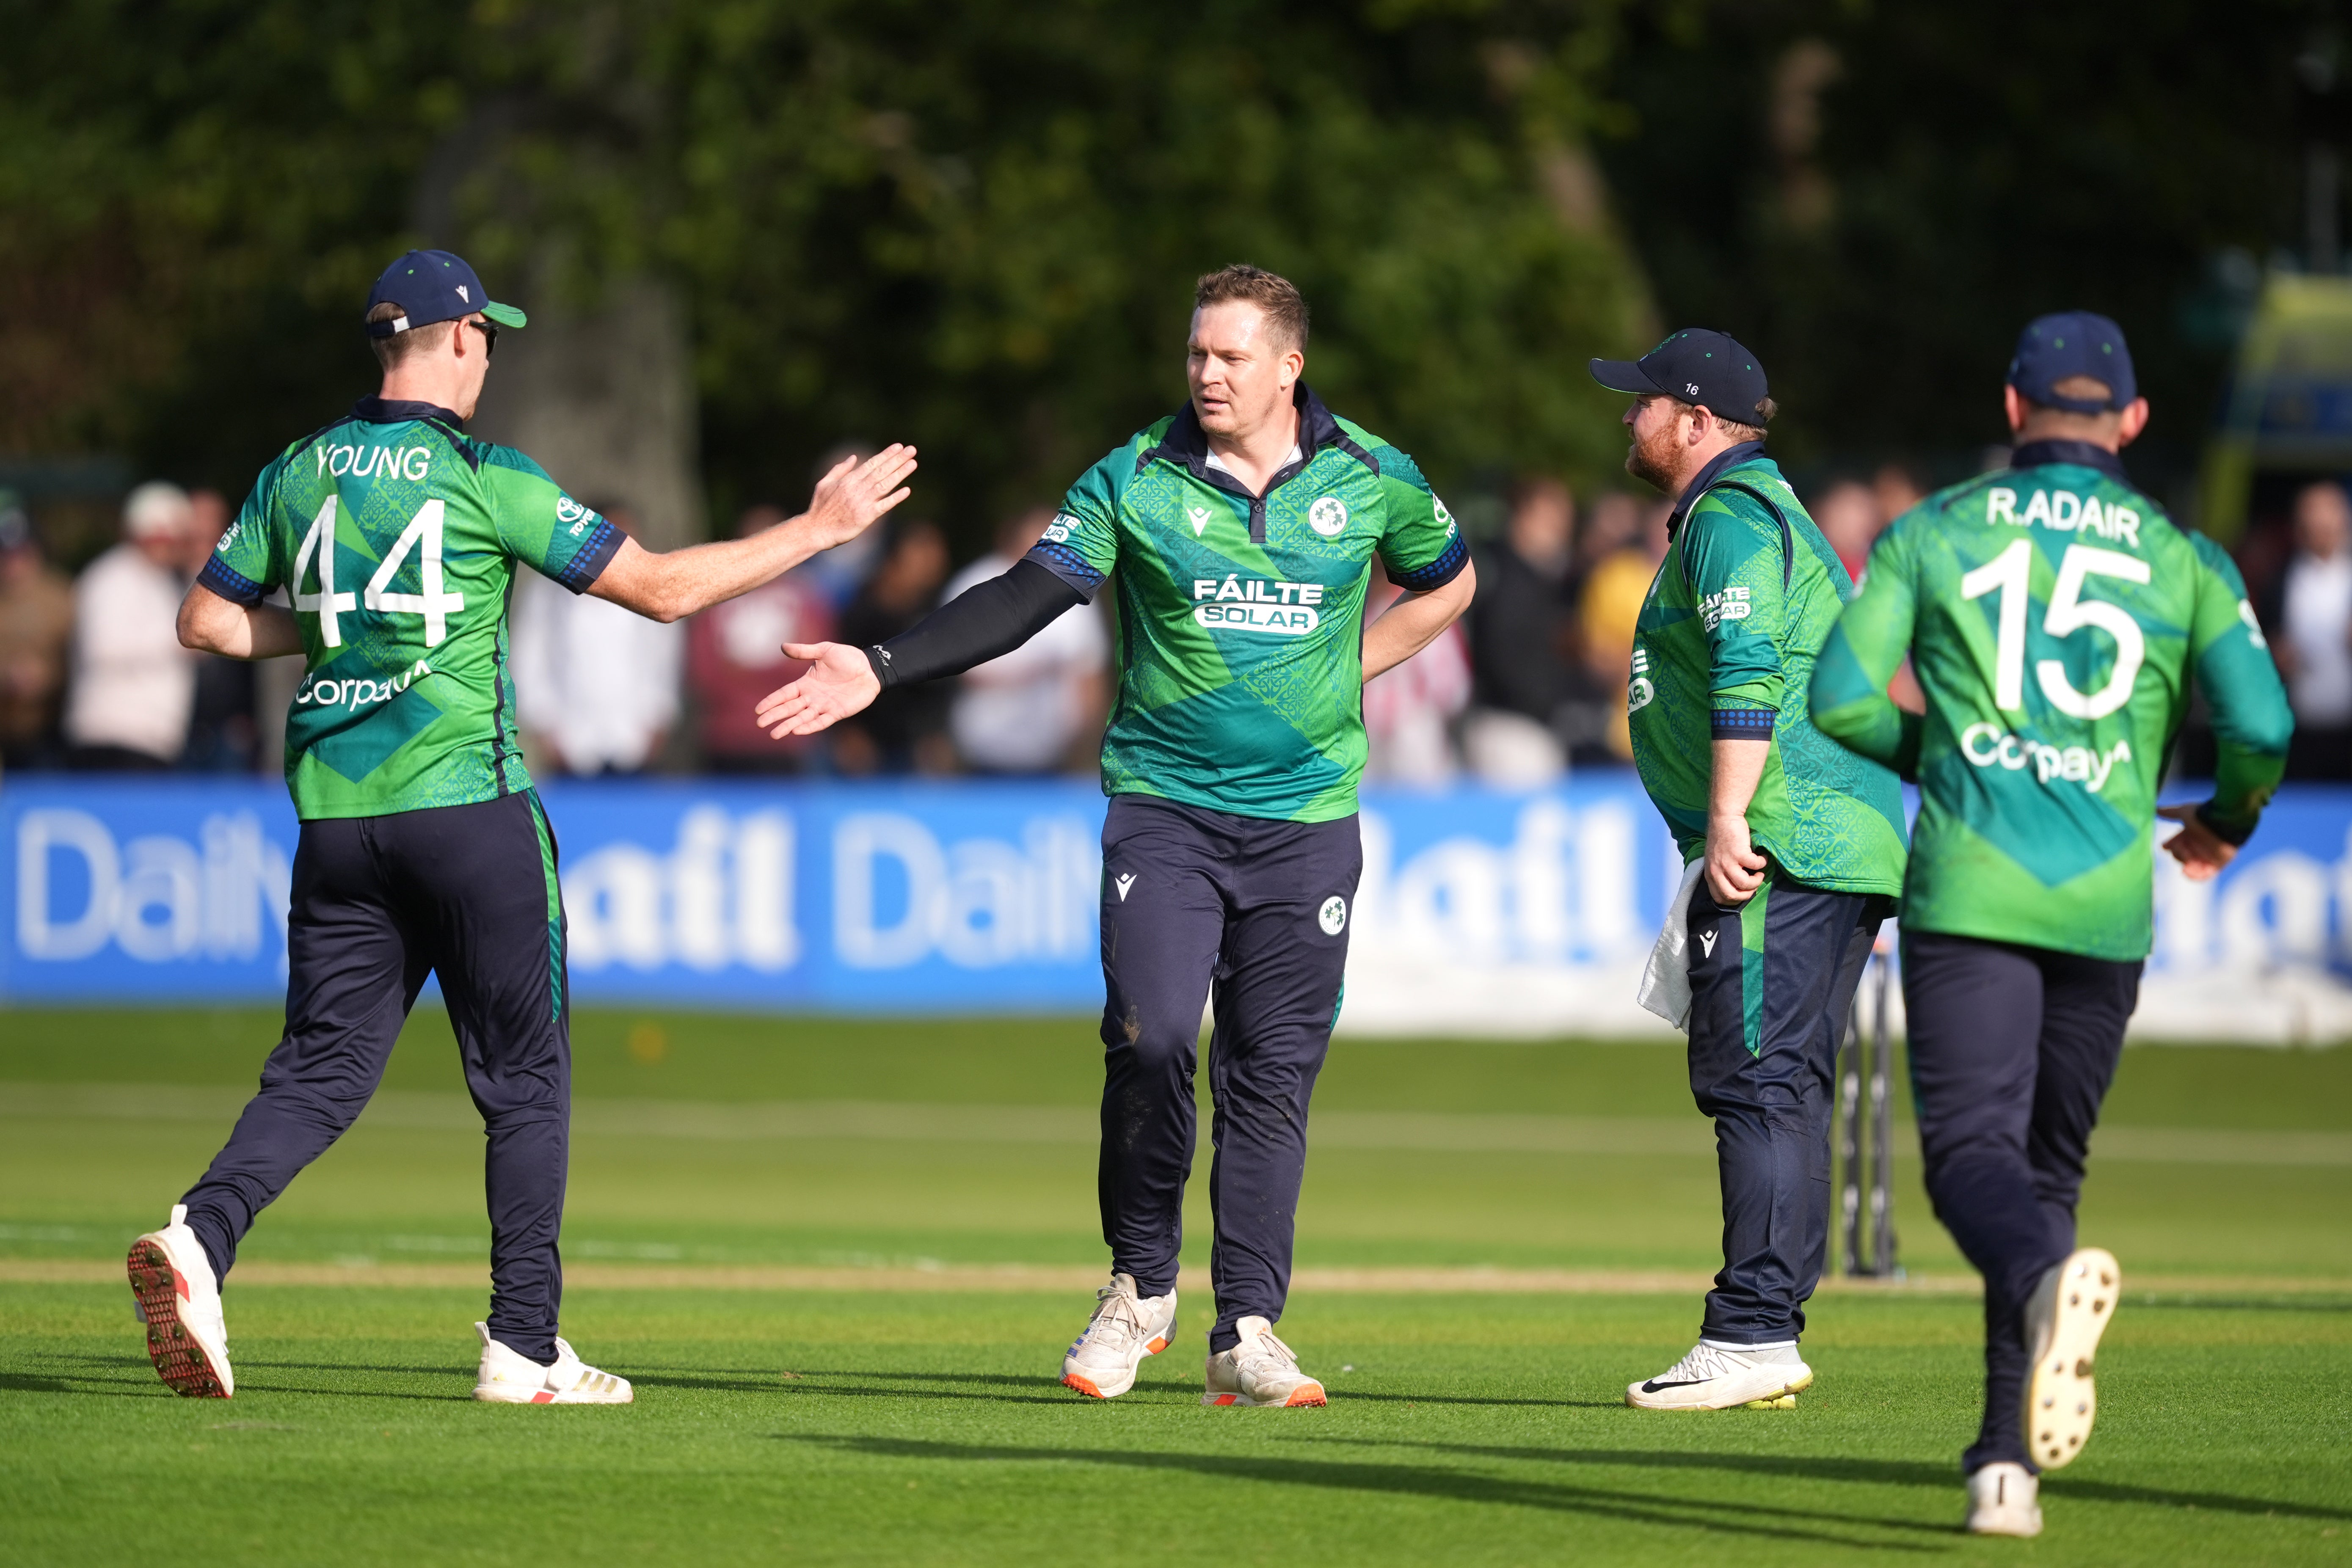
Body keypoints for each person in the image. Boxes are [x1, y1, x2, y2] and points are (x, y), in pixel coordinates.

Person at [128, 247, 916, 1405]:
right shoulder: (481, 472)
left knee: (322, 1068)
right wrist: (813, 531)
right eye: (485, 335)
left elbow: (206, 620)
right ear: (455, 339)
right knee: (523, 1080)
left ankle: (202, 1234)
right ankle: (523, 1343)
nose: (489, 353)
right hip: (467, 811)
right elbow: (661, 591)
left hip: (338, 823)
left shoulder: (295, 470)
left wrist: (362, 637)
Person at [757, 263, 1475, 1407]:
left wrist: (1347, 669)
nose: (1205, 372)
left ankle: (1247, 1326)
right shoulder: (1136, 475)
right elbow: (1027, 595)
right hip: (1165, 813)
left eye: (1229, 355)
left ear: (1288, 366)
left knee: (1271, 1074)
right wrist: (882, 667)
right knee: (1146, 1043)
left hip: (1305, 827)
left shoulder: (1374, 477)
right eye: (1195, 352)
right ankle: (1137, 1289)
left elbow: (1448, 583)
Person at [1810, 311, 2291, 1536]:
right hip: (2103, 903)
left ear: (2014, 412)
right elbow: (2263, 729)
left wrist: (1948, 753)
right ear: (2130, 422)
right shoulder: (2185, 558)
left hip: (1972, 889)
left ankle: (2032, 1312)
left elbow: (1838, 697)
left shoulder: (1932, 530)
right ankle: (1999, 1463)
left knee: (1974, 1168)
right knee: (2044, 1175)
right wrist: (2225, 820)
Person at [1590, 329, 1907, 1413]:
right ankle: (1760, 1327)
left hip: (1782, 839)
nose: (1625, 418)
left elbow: (1747, 665)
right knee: (1783, 1085)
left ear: (1692, 420)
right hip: (1818, 837)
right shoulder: (1752, 512)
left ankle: (1751, 1333)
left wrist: (1725, 817)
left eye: (1640, 404)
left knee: (1756, 1081)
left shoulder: (1730, 518)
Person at [513, 500, 685, 776]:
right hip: (571, 740)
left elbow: (665, 660)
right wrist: (544, 727)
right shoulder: (548, 593)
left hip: (634, 737)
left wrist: (659, 720)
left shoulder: (653, 590)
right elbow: (529, 660)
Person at [944, 507, 1109, 774]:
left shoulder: (1078, 589)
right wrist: (1030, 673)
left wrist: (1087, 736)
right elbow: (954, 666)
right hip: (983, 745)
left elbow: (1089, 669)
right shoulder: (974, 582)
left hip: (1055, 750)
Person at [685, 504, 837, 774]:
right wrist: (775, 671)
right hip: (726, 737)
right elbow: (704, 674)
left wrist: (741, 671)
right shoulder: (714, 600)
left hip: (791, 739)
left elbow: (817, 669)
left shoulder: (808, 601)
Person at [63, 481, 196, 770]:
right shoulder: (112, 577)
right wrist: (181, 643)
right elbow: (103, 647)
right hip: (114, 735)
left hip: (150, 739)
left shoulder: (160, 581)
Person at [1462, 477, 1575, 783]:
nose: (1560, 531)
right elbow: (1503, 658)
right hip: (1509, 728)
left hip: (1527, 727)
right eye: (1551, 519)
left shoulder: (1540, 581)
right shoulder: (1505, 582)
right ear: (1524, 516)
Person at [831, 518, 954, 774]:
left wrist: (936, 733)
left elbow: (944, 680)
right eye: (924, 551)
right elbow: (836, 672)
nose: (935, 560)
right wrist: (849, 731)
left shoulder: (936, 609)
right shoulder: (860, 609)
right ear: (895, 556)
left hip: (918, 744)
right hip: (864, 745)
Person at [2273, 480, 2352, 778]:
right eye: (2311, 517)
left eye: (2326, 516)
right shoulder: (2277, 580)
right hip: (2297, 734)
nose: (2319, 525)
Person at [180, 488, 261, 772]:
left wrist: (249, 716)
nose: (199, 529)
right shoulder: (165, 581)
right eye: (193, 519)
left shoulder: (246, 581)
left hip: (230, 726)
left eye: (208, 520)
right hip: (176, 727)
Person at [0, 493, 74, 770]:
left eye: (21, 553)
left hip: (49, 728)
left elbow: (78, 655)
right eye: (6, 555)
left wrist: (48, 676)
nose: (14, 563)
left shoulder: (61, 597)